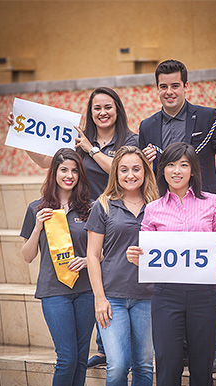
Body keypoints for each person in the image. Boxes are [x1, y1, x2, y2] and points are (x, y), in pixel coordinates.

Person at [8, 87, 139, 368]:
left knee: (115, 274)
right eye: (96, 108)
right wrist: (23, 135)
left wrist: (90, 149)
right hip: (91, 213)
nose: (102, 112)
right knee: (97, 273)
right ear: (90, 112)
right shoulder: (79, 139)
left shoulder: (130, 139)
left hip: (122, 213)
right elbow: (49, 161)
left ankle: (121, 347)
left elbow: (121, 168)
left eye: (108, 107)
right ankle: (105, 348)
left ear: (118, 109)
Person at [127, 142, 216, 386]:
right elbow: (145, 250)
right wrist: (136, 255)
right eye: (171, 165)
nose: (177, 170)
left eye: (184, 165)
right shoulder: (153, 208)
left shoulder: (212, 202)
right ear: (162, 170)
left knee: (202, 365)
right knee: (168, 364)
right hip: (167, 294)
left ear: (193, 170)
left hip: (205, 293)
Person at [139, 59, 216, 370]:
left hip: (203, 211)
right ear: (157, 89)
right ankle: (180, 348)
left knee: (207, 282)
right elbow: (148, 176)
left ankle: (210, 351)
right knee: (172, 284)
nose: (169, 91)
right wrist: (145, 161)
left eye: (175, 85)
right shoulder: (147, 126)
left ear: (186, 86)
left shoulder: (208, 116)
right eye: (163, 86)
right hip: (167, 213)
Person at [85, 145, 158, 386]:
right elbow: (92, 254)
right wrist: (99, 298)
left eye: (136, 168)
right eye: (124, 169)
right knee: (117, 365)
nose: (130, 174)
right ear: (115, 172)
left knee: (143, 365)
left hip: (149, 297)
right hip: (112, 297)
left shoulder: (158, 205)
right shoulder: (102, 205)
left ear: (145, 172)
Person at [20, 148, 95, 386]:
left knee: (80, 359)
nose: (69, 176)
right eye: (64, 170)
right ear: (54, 174)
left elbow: (101, 251)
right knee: (66, 357)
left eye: (74, 171)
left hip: (86, 291)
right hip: (55, 292)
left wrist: (89, 261)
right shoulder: (37, 208)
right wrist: (38, 225)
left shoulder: (89, 209)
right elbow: (27, 256)